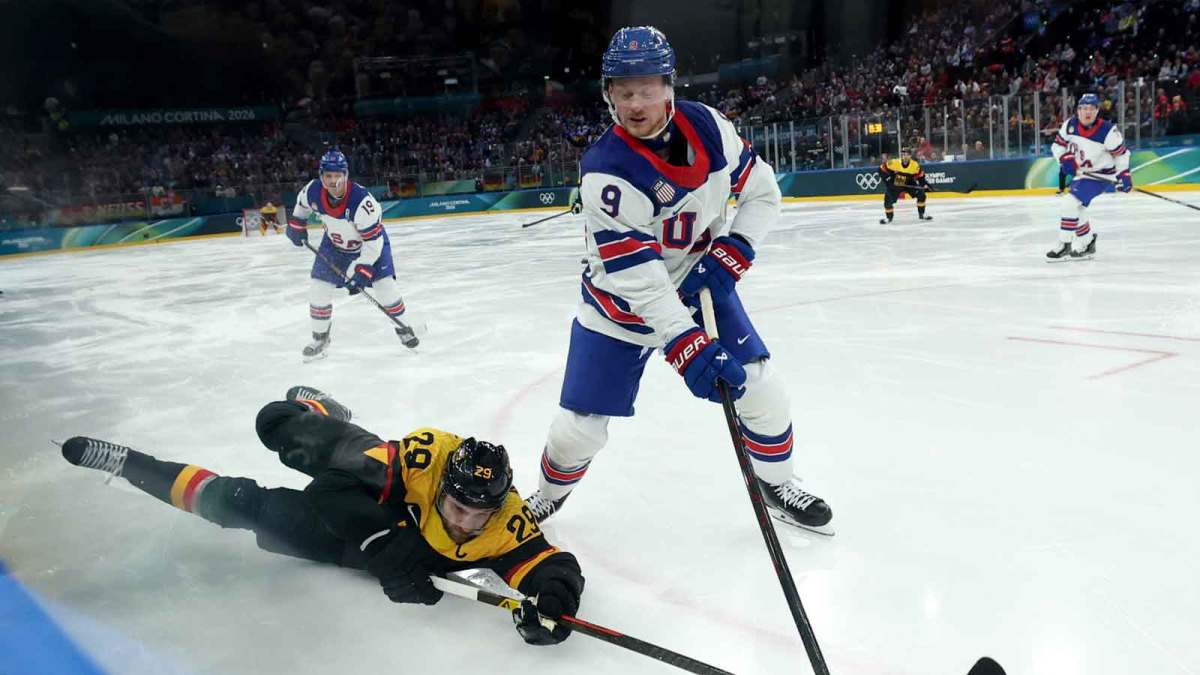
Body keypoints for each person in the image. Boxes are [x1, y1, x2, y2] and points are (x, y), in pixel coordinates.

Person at [521, 26, 833, 533]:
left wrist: (734, 251)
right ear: (608, 96)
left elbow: (763, 192)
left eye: (646, 88)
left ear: (669, 87)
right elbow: (639, 280)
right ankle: (548, 495)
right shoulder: (605, 172)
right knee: (578, 430)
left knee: (761, 388)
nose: (636, 103)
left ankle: (777, 483)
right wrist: (685, 344)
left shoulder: (710, 126)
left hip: (697, 286)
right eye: (624, 92)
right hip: (616, 308)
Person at [60, 387, 584, 646]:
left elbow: (549, 566)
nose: (464, 524)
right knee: (275, 425)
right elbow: (333, 489)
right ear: (442, 486)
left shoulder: (504, 521)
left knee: (239, 504)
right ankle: (321, 413)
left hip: (354, 544)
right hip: (371, 494)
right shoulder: (423, 460)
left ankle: (130, 466)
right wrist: (383, 542)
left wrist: (554, 602)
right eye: (456, 508)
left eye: (477, 516)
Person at [287, 150, 418, 360]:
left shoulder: (362, 202)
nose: (332, 181)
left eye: (337, 175)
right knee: (318, 290)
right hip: (333, 245)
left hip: (369, 246)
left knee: (386, 289)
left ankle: (403, 328)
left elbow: (373, 242)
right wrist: (296, 224)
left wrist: (363, 268)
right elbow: (301, 206)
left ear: (346, 175)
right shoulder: (312, 191)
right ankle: (320, 338)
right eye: (328, 176)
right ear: (321, 176)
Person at [1046, 93, 1130, 262]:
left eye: (1091, 108)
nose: (1087, 112)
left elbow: (1121, 155)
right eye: (1084, 108)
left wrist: (1124, 175)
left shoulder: (1108, 131)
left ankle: (1064, 244)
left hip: (1100, 176)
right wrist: (1063, 159)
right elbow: (1057, 146)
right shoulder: (1069, 126)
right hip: (1082, 174)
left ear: (1097, 110)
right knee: (1077, 208)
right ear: (1078, 110)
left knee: (1069, 202)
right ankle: (1087, 242)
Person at [878, 147, 933, 224]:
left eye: (907, 154)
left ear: (910, 156)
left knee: (921, 194)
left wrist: (924, 185)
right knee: (888, 199)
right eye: (903, 154)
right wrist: (888, 179)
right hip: (897, 182)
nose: (905, 156)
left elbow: (920, 176)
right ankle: (889, 218)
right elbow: (881, 169)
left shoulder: (915, 165)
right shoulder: (894, 162)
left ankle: (922, 214)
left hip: (909, 182)